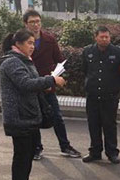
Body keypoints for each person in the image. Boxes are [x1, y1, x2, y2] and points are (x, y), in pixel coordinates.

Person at [0, 29, 66, 180]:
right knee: (21, 157)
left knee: (28, 156)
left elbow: (32, 83)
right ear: (18, 44)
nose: (32, 46)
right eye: (29, 43)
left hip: (29, 116)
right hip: (19, 118)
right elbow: (26, 84)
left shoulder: (25, 60)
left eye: (33, 43)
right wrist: (51, 80)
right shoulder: (12, 62)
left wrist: (46, 84)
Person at [22, 9, 81, 160]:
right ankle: (36, 148)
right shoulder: (21, 41)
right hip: (31, 86)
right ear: (25, 24)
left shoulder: (49, 40)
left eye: (38, 21)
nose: (36, 25)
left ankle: (65, 146)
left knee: (57, 117)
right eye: (32, 22)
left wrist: (54, 78)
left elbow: (60, 61)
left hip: (48, 86)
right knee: (34, 120)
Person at [81, 26, 120, 164]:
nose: (104, 39)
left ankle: (112, 152)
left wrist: (116, 87)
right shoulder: (87, 51)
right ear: (95, 37)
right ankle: (95, 152)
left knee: (110, 125)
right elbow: (85, 70)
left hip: (110, 96)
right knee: (93, 124)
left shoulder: (119, 53)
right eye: (101, 37)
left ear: (110, 37)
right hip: (93, 95)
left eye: (106, 37)